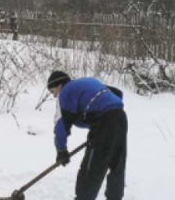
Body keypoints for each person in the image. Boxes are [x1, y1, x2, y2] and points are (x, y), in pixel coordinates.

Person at [48, 71, 127, 200]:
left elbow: (61, 125)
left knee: (91, 167)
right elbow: (117, 93)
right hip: (120, 117)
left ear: (58, 85)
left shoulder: (66, 91)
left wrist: (61, 150)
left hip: (104, 121)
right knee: (117, 163)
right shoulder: (85, 83)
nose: (54, 95)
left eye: (52, 91)